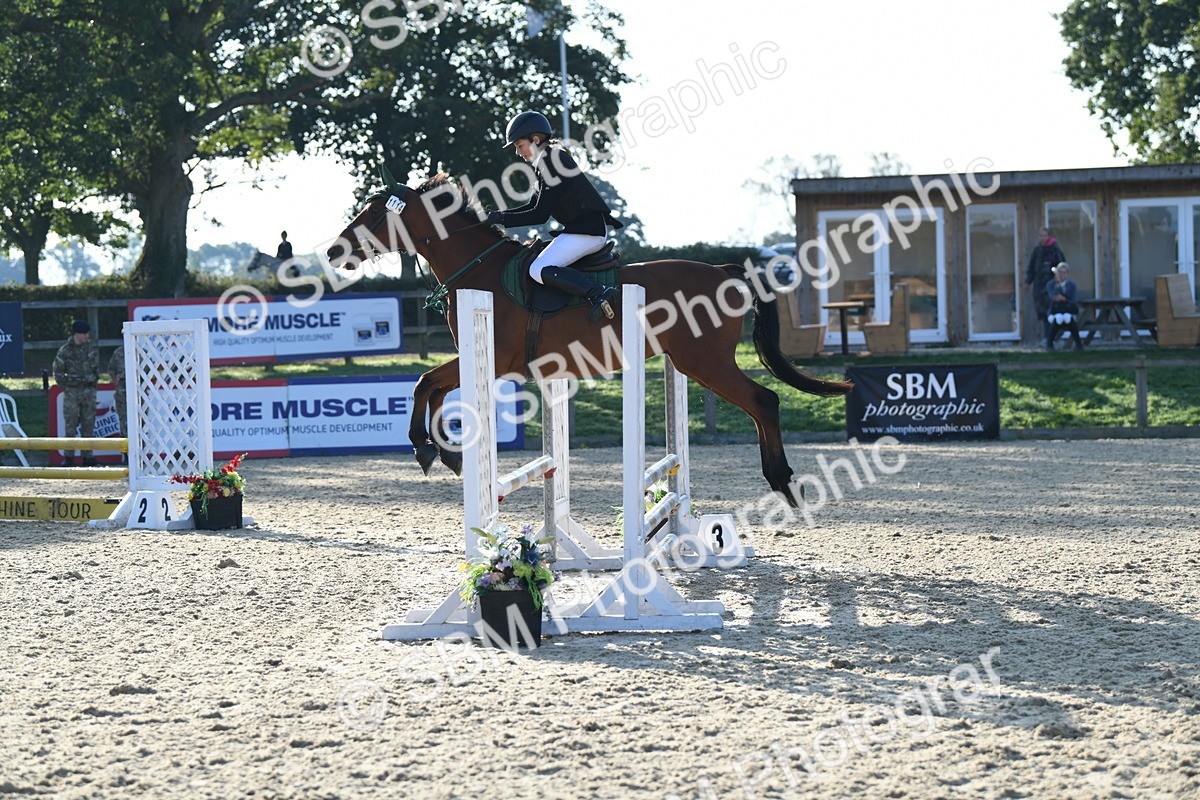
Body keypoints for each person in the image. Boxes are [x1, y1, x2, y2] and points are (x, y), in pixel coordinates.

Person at [485, 111, 622, 323]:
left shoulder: (553, 161)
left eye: (519, 145)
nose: (518, 152)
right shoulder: (546, 161)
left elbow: (539, 215)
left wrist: (500, 219)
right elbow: (532, 205)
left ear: (535, 139)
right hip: (582, 230)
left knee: (538, 268)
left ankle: (599, 292)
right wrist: (496, 216)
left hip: (588, 233)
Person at [53, 319, 100, 466]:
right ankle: (69, 458)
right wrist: (68, 387)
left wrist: (91, 384)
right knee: (70, 425)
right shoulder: (64, 351)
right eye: (84, 333)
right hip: (72, 393)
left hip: (88, 392)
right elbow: (58, 372)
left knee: (89, 424)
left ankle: (88, 456)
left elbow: (97, 370)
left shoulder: (91, 349)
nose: (87, 336)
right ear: (77, 334)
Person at [1025, 227, 1066, 345]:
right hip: (1039, 286)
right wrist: (1028, 282)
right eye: (1040, 235)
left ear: (1049, 237)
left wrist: (1058, 282)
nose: (1042, 238)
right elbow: (1032, 268)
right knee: (1043, 313)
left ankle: (1054, 337)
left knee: (1052, 312)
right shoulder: (1037, 251)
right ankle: (1048, 337)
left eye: (1044, 235)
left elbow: (1062, 267)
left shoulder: (1055, 251)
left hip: (1052, 286)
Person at [1046, 262, 1084, 351]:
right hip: (1055, 310)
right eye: (1060, 272)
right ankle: (1049, 344)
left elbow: (1073, 300)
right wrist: (1058, 285)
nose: (1062, 274)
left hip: (1068, 309)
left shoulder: (1072, 285)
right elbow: (1052, 296)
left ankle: (1079, 345)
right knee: (1057, 319)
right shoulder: (1051, 284)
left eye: (1064, 272)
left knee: (1069, 319)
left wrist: (1064, 299)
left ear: (1067, 273)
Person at [108, 344, 127, 462]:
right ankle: (126, 455)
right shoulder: (119, 352)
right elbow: (111, 370)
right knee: (124, 423)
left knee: (140, 424)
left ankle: (141, 454)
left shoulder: (142, 351)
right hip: (122, 391)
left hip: (138, 390)